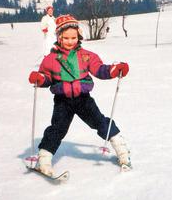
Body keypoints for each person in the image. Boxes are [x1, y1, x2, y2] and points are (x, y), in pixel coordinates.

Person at [28, 14, 131, 176]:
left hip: (83, 99)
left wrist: (113, 70)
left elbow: (100, 69)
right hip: (62, 101)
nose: (70, 41)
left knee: (100, 122)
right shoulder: (50, 59)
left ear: (79, 36)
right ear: (59, 37)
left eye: (73, 37)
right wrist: (40, 79)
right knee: (57, 129)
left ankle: (123, 152)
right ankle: (44, 160)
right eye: (66, 38)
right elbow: (46, 77)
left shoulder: (86, 55)